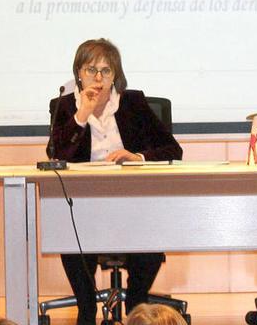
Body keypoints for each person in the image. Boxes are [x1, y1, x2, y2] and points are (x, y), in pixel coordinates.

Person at [48, 38, 182, 324]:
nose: (98, 78)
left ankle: (136, 307)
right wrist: (82, 113)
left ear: (115, 76)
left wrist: (138, 156)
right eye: (91, 70)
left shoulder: (133, 103)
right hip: (83, 208)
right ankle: (86, 310)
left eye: (106, 71)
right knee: (70, 239)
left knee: (150, 238)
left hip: (132, 204)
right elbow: (56, 156)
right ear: (78, 74)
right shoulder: (63, 106)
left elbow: (174, 150)